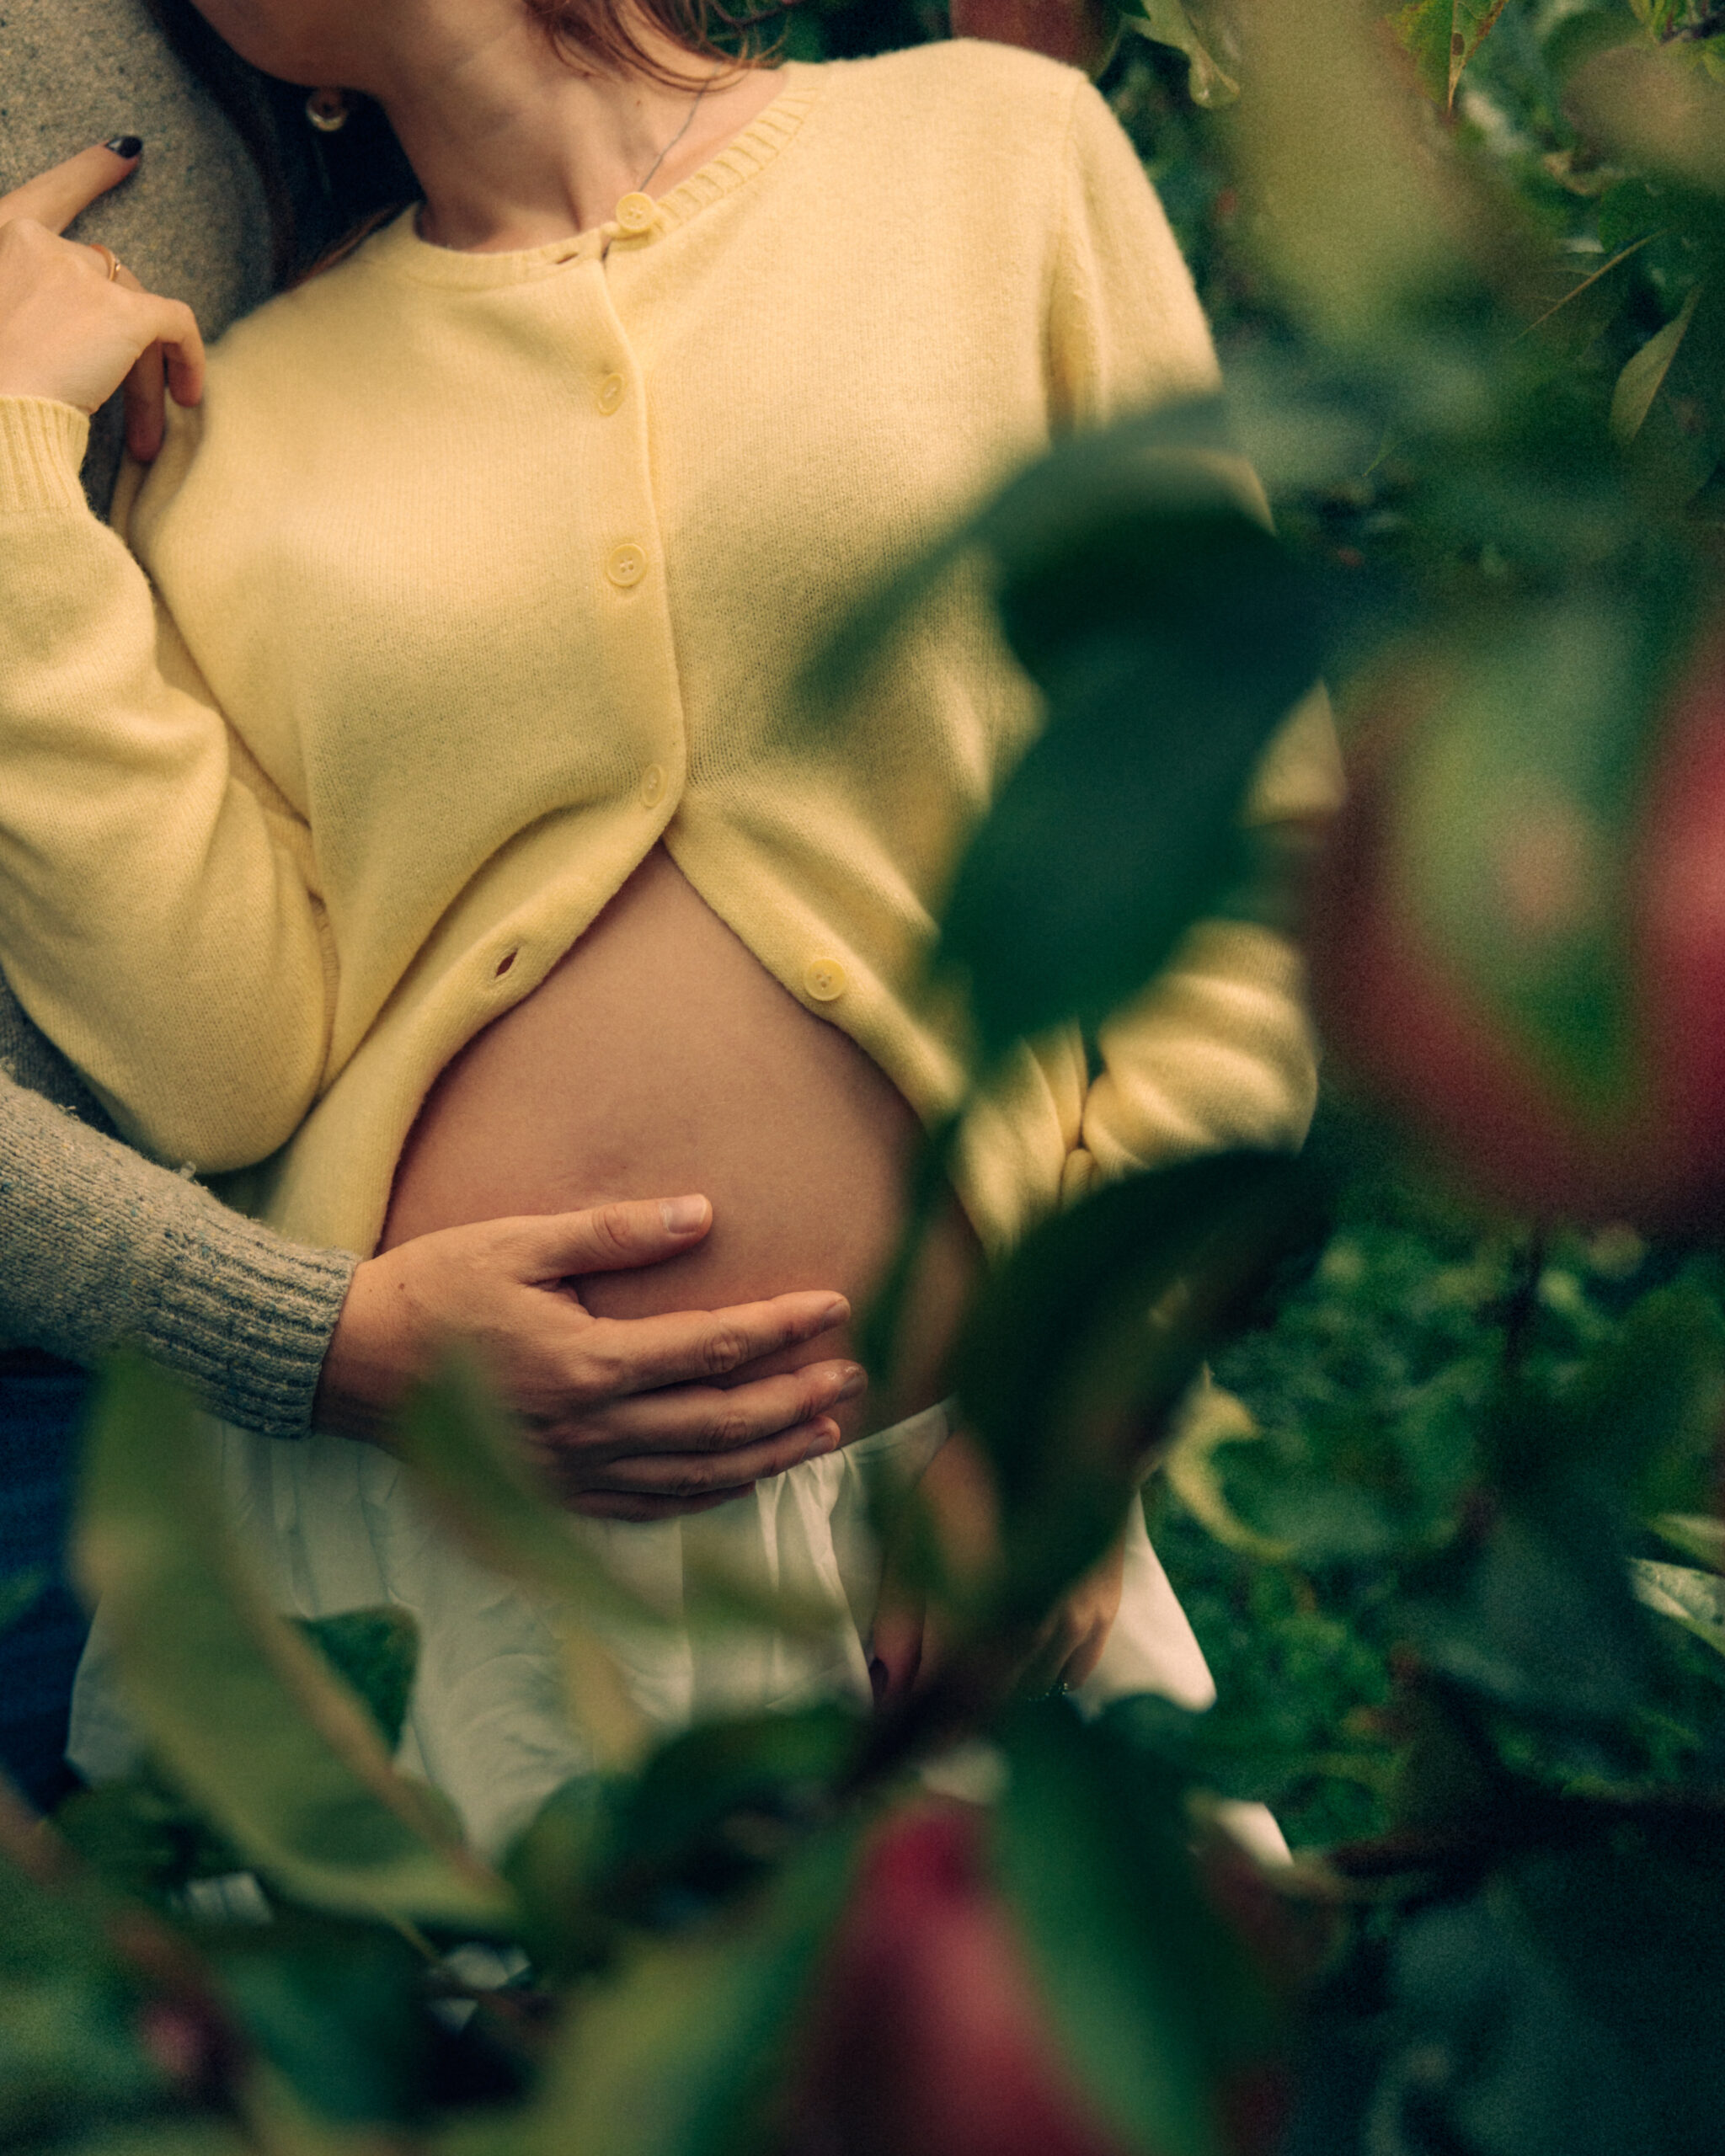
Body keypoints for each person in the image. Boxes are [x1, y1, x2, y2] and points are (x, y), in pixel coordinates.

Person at [0, 0, 1337, 1851]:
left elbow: (1226, 849)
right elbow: (221, 1065)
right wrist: (10, 495)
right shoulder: (243, 411)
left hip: (939, 1535)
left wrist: (1075, 1417)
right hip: (423, 1590)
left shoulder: (992, 161)